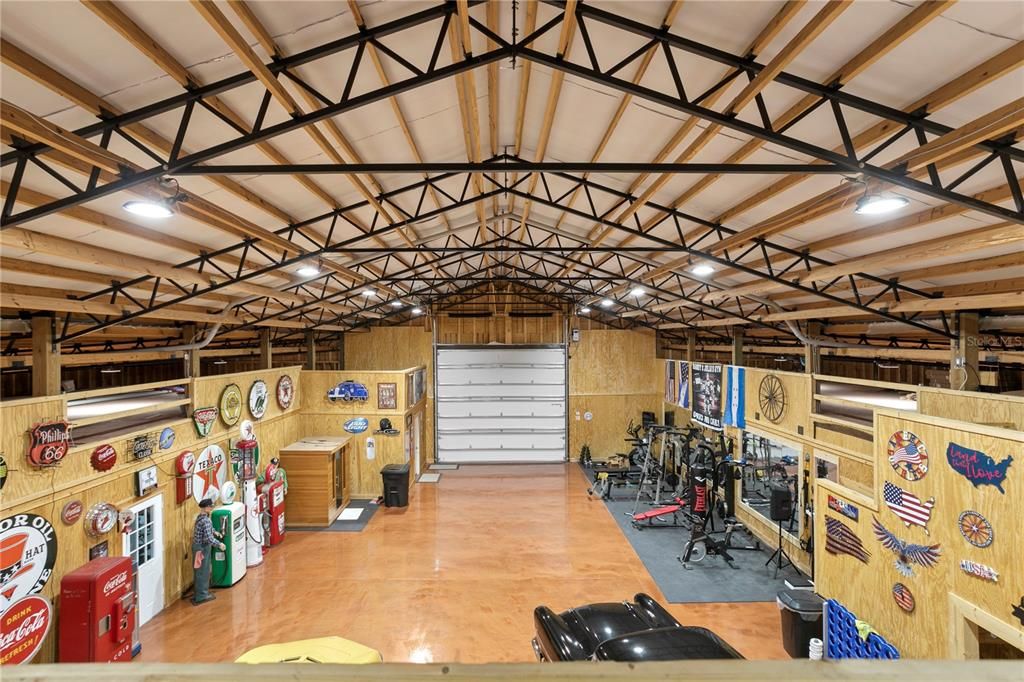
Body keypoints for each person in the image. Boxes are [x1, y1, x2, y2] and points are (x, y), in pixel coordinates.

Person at [192, 498, 224, 606]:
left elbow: (208, 530)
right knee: (203, 572)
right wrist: (219, 544)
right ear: (206, 508)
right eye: (210, 506)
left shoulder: (201, 518)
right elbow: (209, 539)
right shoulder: (205, 520)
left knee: (200, 571)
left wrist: (215, 532)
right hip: (202, 549)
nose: (211, 508)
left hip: (199, 547)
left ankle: (200, 593)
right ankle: (202, 595)